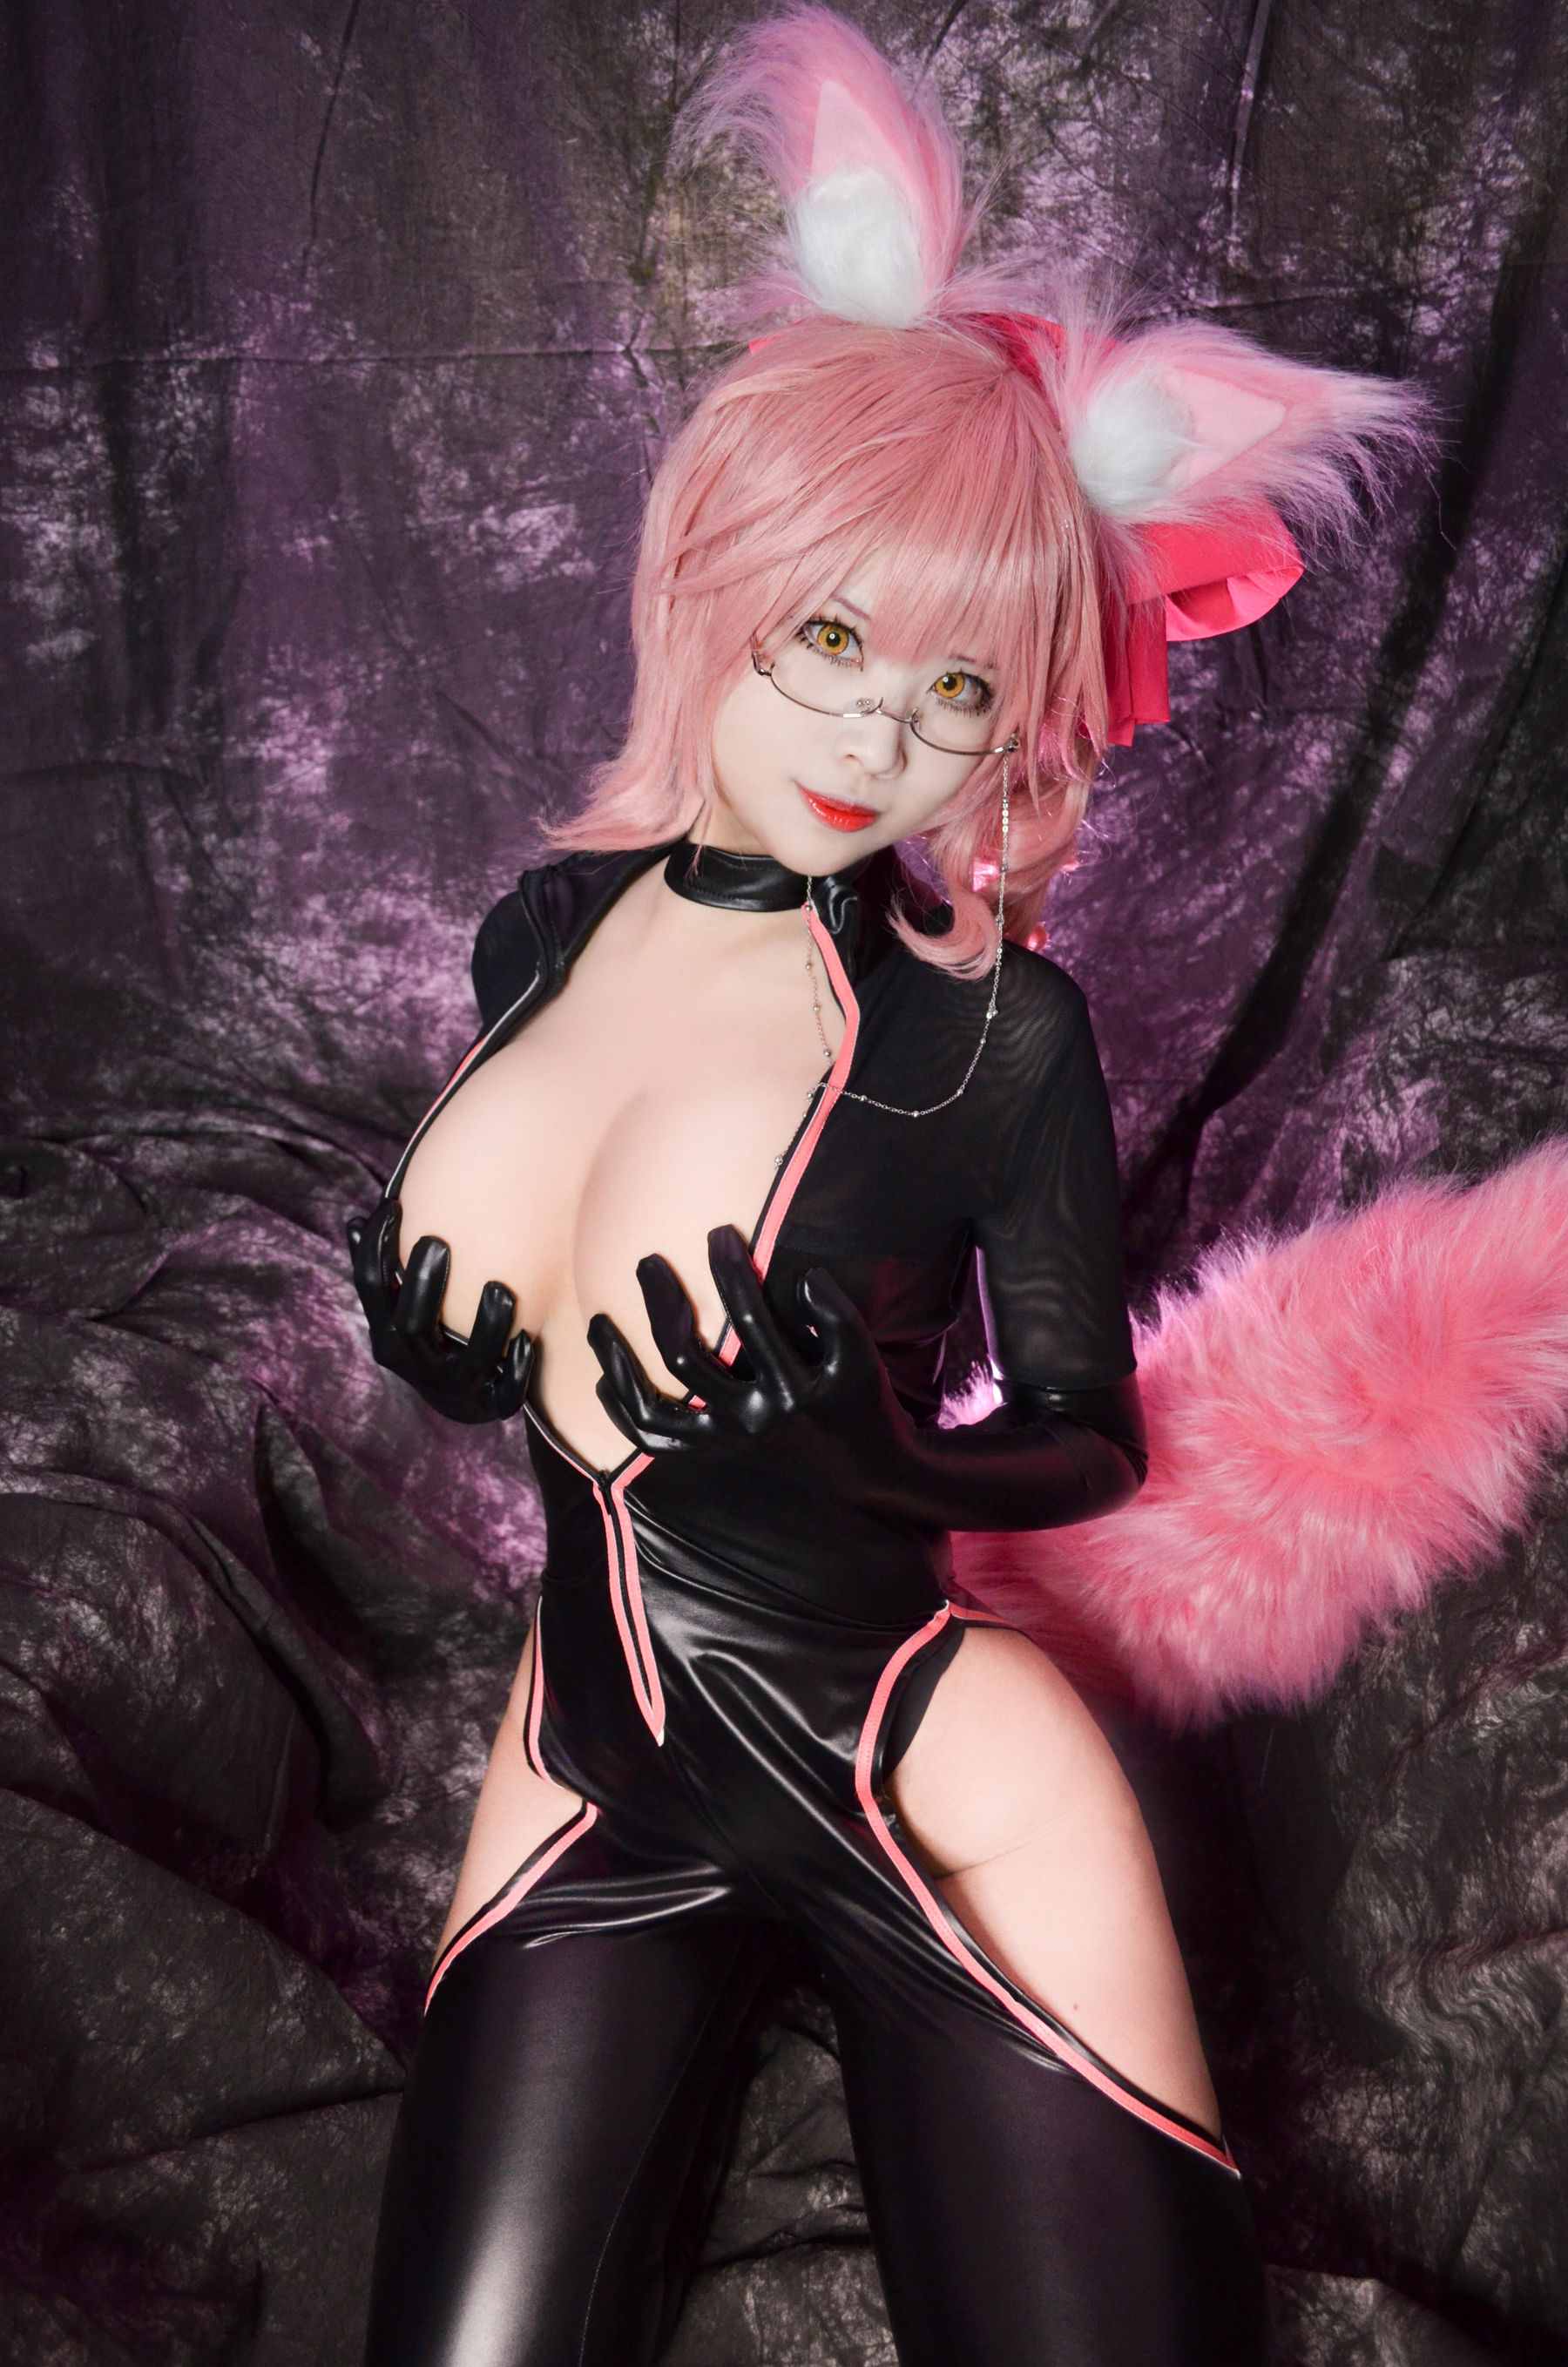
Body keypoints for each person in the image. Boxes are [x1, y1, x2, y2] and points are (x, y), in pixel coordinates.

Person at [347, 12, 1417, 2361]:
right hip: (595, 1764)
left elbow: (1090, 1436)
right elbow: (554, 1322)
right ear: (716, 586)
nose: (880, 735)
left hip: (927, 1767)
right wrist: (447, 1351)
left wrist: (878, 1456)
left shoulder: (992, 1037)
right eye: (834, 638)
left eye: (961, 688)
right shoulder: (546, 934)